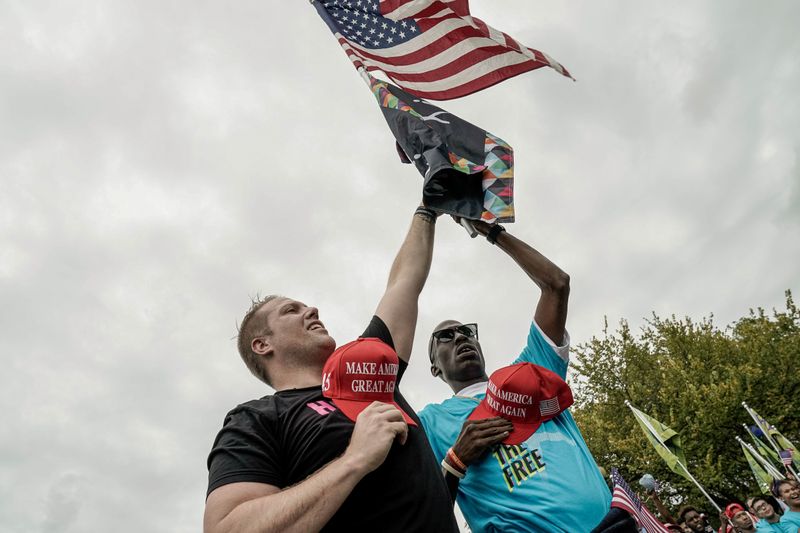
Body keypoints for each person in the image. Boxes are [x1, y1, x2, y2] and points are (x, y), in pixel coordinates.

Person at [204, 206, 460, 533]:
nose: (311, 309)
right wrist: (354, 459)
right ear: (262, 344)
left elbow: (404, 282)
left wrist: (427, 209)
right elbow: (227, 528)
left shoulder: (368, 372)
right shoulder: (258, 419)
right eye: (290, 310)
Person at [417, 220, 618, 532]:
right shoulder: (430, 422)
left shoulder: (531, 372)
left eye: (466, 331)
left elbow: (557, 284)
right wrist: (455, 461)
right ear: (434, 368)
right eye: (445, 336)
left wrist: (491, 231)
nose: (460, 337)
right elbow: (421, 511)